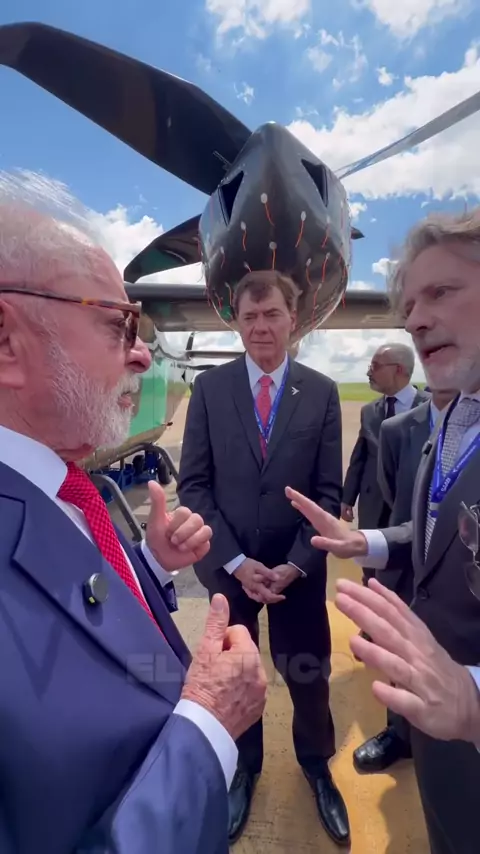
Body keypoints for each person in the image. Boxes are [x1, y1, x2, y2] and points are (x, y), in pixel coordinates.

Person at [0, 200, 266, 854]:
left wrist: (145, 564)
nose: (144, 355)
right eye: (119, 324)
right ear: (6, 343)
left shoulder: (65, 488)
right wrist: (207, 725)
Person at [285, 206, 480, 854]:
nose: (417, 318)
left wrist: (474, 700)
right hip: (441, 742)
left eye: (442, 292)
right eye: (410, 304)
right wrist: (364, 541)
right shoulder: (448, 427)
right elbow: (435, 533)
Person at [177, 270, 350, 848]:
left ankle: (317, 766)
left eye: (271, 315)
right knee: (235, 676)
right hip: (231, 571)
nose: (260, 328)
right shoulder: (211, 389)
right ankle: (243, 769)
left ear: (293, 319)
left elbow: (328, 494)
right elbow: (194, 485)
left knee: (309, 675)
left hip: (297, 570)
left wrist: (296, 563)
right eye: (249, 317)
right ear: (237, 323)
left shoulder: (321, 392)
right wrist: (235, 561)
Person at [353, 387, 456, 775]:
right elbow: (395, 496)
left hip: (465, 576)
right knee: (402, 655)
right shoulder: (396, 429)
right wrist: (370, 542)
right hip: (409, 565)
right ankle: (400, 733)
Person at [341, 343, 429, 591]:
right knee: (370, 570)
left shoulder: (433, 408)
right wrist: (347, 498)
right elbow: (360, 457)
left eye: (375, 366)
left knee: (410, 569)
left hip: (412, 507)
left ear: (399, 369)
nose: (369, 372)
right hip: (373, 507)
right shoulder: (369, 411)